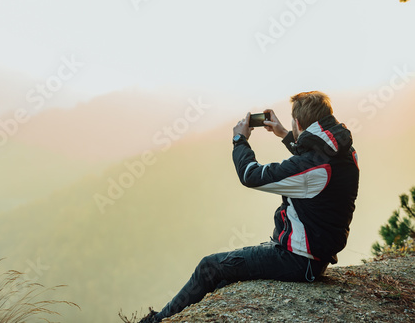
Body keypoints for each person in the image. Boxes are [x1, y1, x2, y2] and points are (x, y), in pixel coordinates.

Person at [137, 91, 359, 323]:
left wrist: (239, 140)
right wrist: (283, 133)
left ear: (299, 122)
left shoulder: (316, 167)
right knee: (222, 279)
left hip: (298, 259)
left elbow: (250, 175)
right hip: (315, 255)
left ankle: (155, 321)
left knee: (209, 267)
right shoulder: (342, 151)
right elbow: (312, 163)